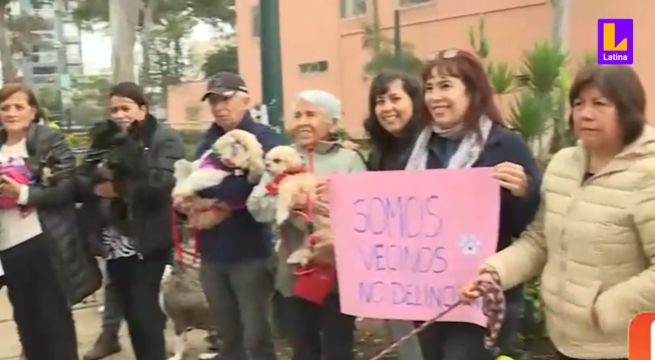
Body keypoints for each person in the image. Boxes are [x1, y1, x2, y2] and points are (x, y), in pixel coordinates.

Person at [461, 65, 655, 360]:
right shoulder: (564, 164)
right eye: (579, 104)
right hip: (564, 340)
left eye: (599, 104)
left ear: (629, 110)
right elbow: (539, 241)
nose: (585, 114)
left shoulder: (648, 175)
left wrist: (605, 308)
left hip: (627, 344)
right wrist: (494, 272)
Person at [407, 49, 541, 360]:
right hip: (430, 296)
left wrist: (524, 191)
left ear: (473, 91)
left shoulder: (505, 144)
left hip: (484, 296)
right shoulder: (417, 148)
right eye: (429, 88)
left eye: (445, 85)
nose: (434, 97)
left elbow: (532, 229)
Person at [247, 90, 367, 360]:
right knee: (302, 349)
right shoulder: (280, 158)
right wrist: (295, 201)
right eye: (298, 115)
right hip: (294, 274)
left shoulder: (348, 160)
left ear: (332, 122)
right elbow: (256, 207)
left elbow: (365, 213)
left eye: (311, 115)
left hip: (336, 274)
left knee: (338, 348)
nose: (302, 122)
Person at [77, 81, 185, 360]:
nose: (119, 115)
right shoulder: (108, 138)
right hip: (114, 239)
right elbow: (82, 178)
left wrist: (120, 188)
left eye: (125, 108)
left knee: (144, 310)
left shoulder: (163, 138)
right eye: (113, 109)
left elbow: (164, 183)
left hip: (148, 239)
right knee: (131, 312)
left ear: (143, 108)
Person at [0, 83, 101, 360]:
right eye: (5, 107)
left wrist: (21, 193)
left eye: (18, 106)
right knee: (26, 322)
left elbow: (67, 188)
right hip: (9, 247)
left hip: (46, 243)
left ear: (32, 111)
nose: (11, 113)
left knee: (54, 321)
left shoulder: (48, 139)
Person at [193, 72, 280, 360]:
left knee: (257, 337)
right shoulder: (207, 141)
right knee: (227, 337)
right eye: (214, 100)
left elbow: (263, 184)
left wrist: (219, 199)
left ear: (246, 99)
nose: (219, 107)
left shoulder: (266, 138)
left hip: (250, 253)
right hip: (211, 253)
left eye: (226, 99)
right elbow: (193, 184)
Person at [363, 70, 427, 360]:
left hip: (429, 266)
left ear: (415, 101)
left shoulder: (432, 144)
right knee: (405, 343)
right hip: (394, 268)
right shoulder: (378, 152)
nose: (386, 108)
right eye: (379, 101)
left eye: (394, 98)